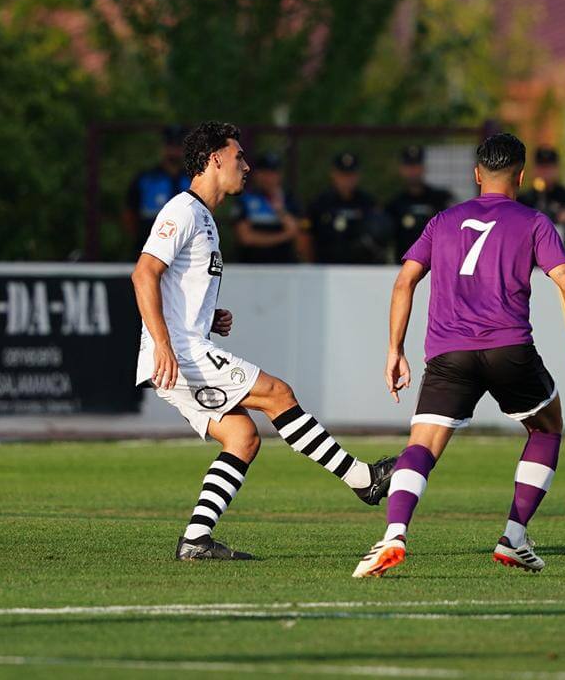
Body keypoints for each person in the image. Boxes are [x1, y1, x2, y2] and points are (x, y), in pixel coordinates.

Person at [132, 122, 396, 561]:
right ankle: (362, 479)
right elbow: (143, 273)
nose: (247, 166)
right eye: (239, 157)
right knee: (279, 393)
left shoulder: (205, 219)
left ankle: (196, 541)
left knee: (242, 436)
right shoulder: (182, 210)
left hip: (182, 346)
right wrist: (163, 343)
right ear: (215, 158)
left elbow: (171, 284)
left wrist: (204, 315)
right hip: (178, 354)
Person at [352, 133, 565, 578]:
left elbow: (404, 282)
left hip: (449, 353)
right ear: (521, 176)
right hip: (508, 349)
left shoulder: (443, 220)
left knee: (421, 446)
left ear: (476, 174)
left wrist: (395, 350)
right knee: (546, 430)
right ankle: (514, 537)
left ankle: (393, 535)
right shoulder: (534, 222)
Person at [305, 152, 385, 264]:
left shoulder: (368, 203)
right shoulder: (320, 203)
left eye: (351, 174)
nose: (347, 179)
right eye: (343, 174)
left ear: (358, 175)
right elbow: (306, 236)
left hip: (361, 268)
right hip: (325, 268)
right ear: (333, 174)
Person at [123, 124, 192, 250]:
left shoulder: (194, 180)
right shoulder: (145, 179)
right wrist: (139, 239)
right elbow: (129, 214)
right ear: (164, 147)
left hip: (186, 250)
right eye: (171, 145)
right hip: (148, 248)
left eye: (179, 145)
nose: (175, 150)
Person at [231, 151, 303, 263]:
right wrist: (284, 236)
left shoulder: (288, 199)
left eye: (273, 173)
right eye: (264, 173)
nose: (269, 178)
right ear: (256, 174)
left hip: (284, 266)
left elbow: (296, 232)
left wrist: (280, 210)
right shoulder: (245, 199)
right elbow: (246, 237)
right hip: (250, 266)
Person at [385, 145, 453, 259]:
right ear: (401, 169)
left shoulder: (440, 199)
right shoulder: (394, 204)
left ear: (423, 168)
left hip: (435, 266)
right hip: (402, 267)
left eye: (416, 166)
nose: (413, 171)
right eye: (409, 166)